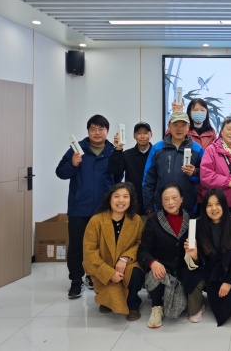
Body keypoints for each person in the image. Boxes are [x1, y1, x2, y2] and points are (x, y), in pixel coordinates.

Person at [56, 114, 123, 299]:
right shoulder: (77, 149)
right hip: (79, 207)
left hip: (104, 209)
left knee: (102, 246)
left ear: (107, 131)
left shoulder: (112, 151)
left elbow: (118, 178)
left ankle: (95, 276)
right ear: (88, 131)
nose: (97, 132)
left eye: (101, 129)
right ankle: (76, 281)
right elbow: (60, 172)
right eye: (93, 129)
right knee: (77, 246)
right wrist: (72, 164)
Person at [184, 189, 231, 326]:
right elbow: (196, 261)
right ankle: (199, 303)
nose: (214, 208)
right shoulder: (198, 225)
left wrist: (229, 281)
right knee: (192, 277)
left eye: (218, 204)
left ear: (224, 205)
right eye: (209, 205)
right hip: (209, 270)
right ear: (204, 207)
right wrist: (195, 256)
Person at [138, 184, 199, 328]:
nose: (170, 202)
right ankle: (156, 306)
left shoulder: (191, 220)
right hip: (162, 269)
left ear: (182, 199)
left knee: (178, 308)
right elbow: (143, 250)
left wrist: (195, 255)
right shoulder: (153, 221)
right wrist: (152, 262)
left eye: (174, 198)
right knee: (156, 274)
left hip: (182, 271)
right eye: (166, 199)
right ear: (161, 201)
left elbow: (200, 252)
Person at [82, 182, 145, 321]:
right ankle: (107, 300)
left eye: (125, 196)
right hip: (103, 265)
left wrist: (125, 258)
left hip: (127, 264)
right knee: (110, 294)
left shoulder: (136, 220)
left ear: (131, 200)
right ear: (109, 199)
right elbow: (89, 252)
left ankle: (133, 305)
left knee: (135, 271)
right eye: (116, 196)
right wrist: (109, 273)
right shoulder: (96, 220)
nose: (121, 200)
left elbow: (140, 244)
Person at [143, 112, 204, 216]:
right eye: (175, 125)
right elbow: (148, 179)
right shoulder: (157, 148)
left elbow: (205, 175)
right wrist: (148, 206)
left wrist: (195, 172)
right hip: (161, 206)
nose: (179, 129)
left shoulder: (197, 149)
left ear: (188, 127)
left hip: (188, 207)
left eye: (183, 125)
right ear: (169, 126)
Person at [200, 115, 231, 223]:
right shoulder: (211, 150)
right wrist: (228, 183)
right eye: (229, 129)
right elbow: (205, 176)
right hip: (216, 205)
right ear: (222, 131)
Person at [108, 121, 153, 217]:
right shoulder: (127, 155)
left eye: (145, 133)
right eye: (139, 133)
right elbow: (115, 171)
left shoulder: (157, 154)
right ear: (134, 136)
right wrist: (118, 149)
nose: (142, 136)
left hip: (153, 203)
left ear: (151, 134)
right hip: (133, 203)